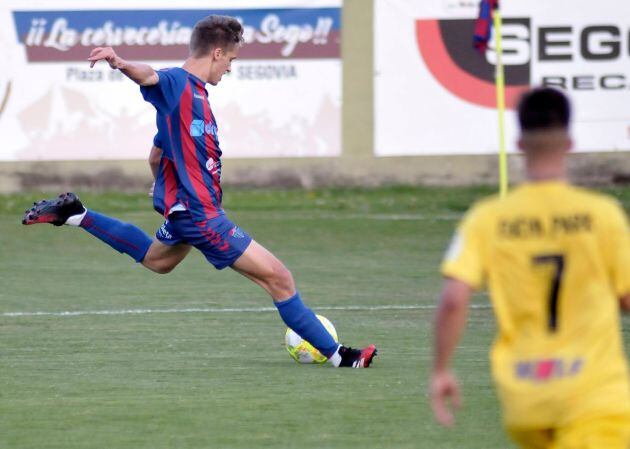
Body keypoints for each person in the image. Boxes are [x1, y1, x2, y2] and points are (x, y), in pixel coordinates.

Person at [22, 15, 376, 369]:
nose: (230, 69)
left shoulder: (193, 101)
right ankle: (342, 358)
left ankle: (76, 214)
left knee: (157, 260)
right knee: (279, 278)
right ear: (217, 53)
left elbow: (156, 155)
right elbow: (150, 75)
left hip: (185, 211)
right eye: (232, 61)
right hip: (200, 215)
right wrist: (121, 63)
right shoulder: (178, 84)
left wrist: (162, 188)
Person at [429, 87, 630, 447]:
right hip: (595, 395)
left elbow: (453, 300)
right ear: (569, 141)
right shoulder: (603, 216)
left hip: (526, 399)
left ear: (520, 142)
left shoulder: (487, 219)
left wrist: (441, 370)